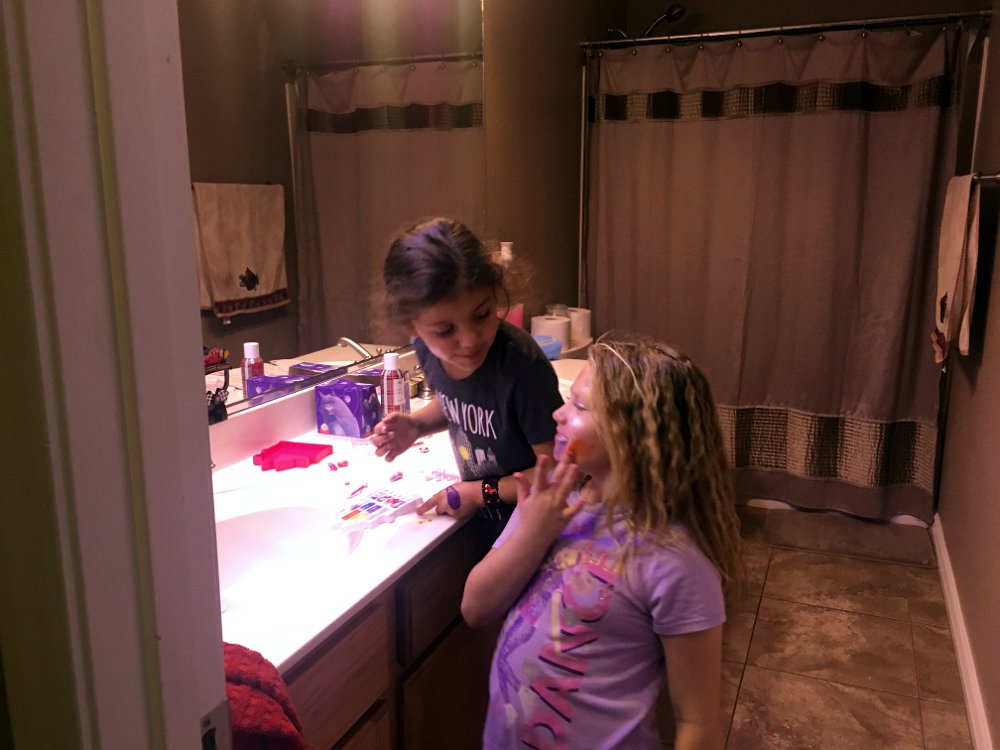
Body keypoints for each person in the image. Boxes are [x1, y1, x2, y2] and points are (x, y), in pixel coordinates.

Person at [461, 334, 744, 750]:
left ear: (634, 432)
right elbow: (475, 608)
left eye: (578, 406)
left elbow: (697, 723)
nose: (557, 414)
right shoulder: (548, 500)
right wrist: (534, 534)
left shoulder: (674, 561)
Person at [370, 217, 564, 530]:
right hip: (485, 520)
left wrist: (479, 493)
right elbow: (458, 402)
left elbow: (556, 474)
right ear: (411, 325)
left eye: (482, 315)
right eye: (445, 330)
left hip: (532, 528)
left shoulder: (523, 369)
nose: (470, 340)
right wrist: (418, 425)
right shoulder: (427, 348)